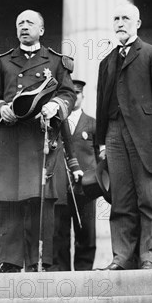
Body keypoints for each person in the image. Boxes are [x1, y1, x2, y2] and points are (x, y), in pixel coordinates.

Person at [0, 9, 77, 272]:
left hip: (40, 137)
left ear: (42, 29)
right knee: (9, 200)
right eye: (19, 23)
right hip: (10, 138)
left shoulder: (57, 62)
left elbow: (68, 93)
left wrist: (55, 106)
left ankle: (40, 261)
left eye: (29, 22)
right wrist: (0, 108)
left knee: (40, 200)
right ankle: (10, 262)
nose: (24, 27)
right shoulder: (2, 62)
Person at [96, 2, 152, 270]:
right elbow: (101, 103)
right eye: (116, 18)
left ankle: (150, 258)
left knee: (149, 199)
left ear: (138, 23)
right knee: (121, 200)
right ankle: (121, 257)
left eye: (126, 18)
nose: (120, 23)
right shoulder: (107, 61)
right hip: (114, 134)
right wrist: (101, 142)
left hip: (145, 135)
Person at [52, 79, 98, 271]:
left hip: (85, 187)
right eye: (71, 94)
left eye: (77, 94)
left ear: (82, 96)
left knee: (85, 231)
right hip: (61, 185)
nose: (75, 98)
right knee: (60, 232)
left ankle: (84, 271)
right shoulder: (56, 123)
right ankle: (61, 272)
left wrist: (95, 180)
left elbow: (100, 155)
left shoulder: (93, 124)